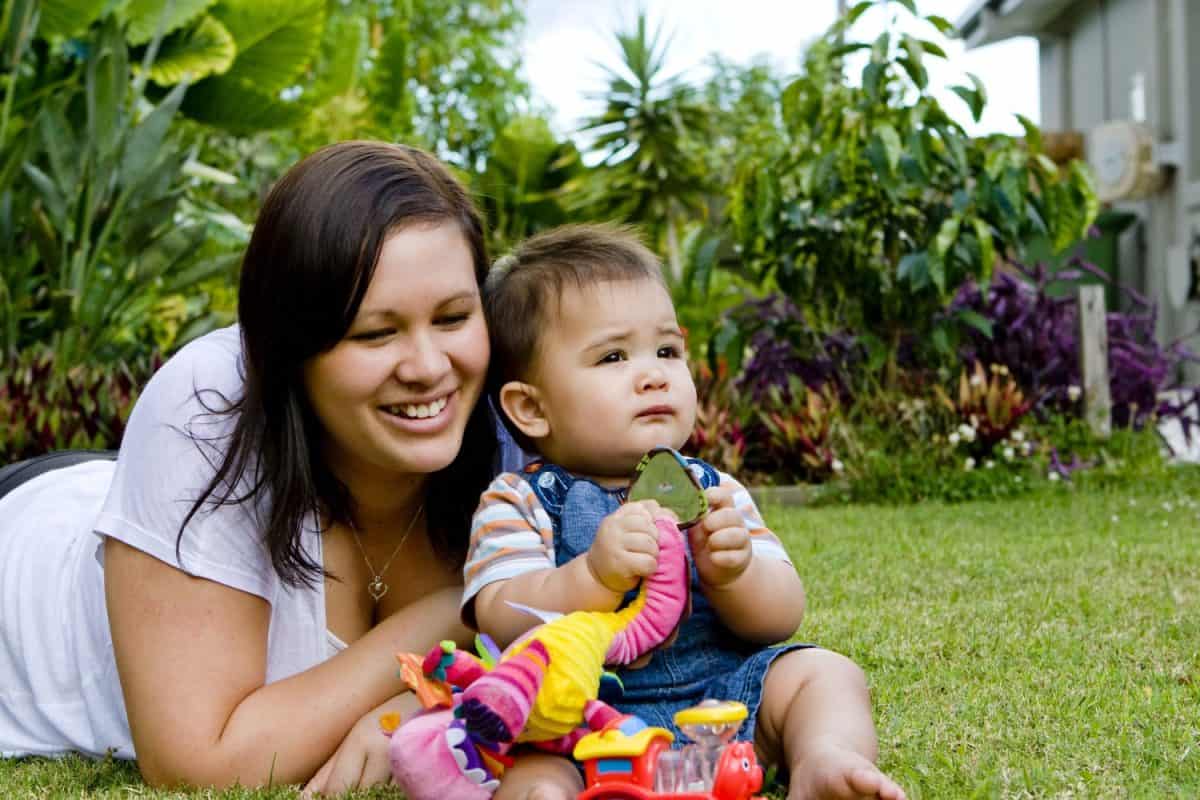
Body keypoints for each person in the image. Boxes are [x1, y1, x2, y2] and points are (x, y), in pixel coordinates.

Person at [0, 141, 580, 799]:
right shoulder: (208, 403)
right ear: (290, 344)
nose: (426, 366)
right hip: (27, 548)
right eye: (374, 333)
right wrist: (462, 611)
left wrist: (424, 710)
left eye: (452, 318)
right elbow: (199, 764)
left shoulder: (521, 414)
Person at [464, 224, 907, 800]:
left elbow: (781, 616)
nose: (653, 374)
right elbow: (502, 615)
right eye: (614, 356)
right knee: (532, 778)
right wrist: (590, 577)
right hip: (584, 722)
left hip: (723, 704)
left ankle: (823, 760)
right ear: (531, 406)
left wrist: (736, 574)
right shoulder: (517, 500)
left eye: (667, 350)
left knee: (823, 674)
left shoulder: (713, 489)